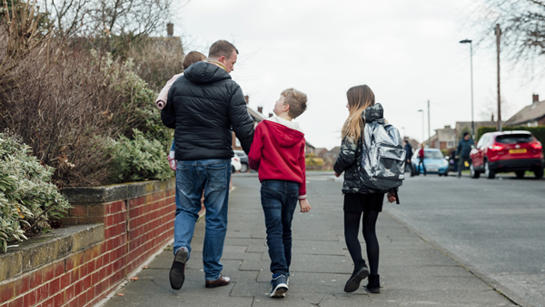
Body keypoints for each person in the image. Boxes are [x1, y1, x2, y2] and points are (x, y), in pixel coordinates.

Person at [161, 40, 255, 290]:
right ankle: (212, 274)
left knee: (186, 210)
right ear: (222, 59)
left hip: (187, 159)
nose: (233, 68)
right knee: (215, 217)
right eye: (233, 62)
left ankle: (181, 247)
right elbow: (243, 127)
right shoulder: (230, 87)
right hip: (216, 160)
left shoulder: (179, 83)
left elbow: (168, 118)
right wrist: (255, 157)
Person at [333, 84, 397, 294]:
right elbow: (390, 159)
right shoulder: (383, 124)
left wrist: (338, 168)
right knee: (370, 231)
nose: (346, 104)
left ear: (356, 101)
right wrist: (392, 188)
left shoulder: (353, 121)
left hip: (355, 187)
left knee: (350, 230)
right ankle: (375, 281)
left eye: (348, 100)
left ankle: (360, 265)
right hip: (376, 186)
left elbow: (348, 154)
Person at [248, 88, 311, 298]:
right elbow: (301, 167)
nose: (275, 102)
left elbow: (254, 156)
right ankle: (285, 273)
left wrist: (262, 167)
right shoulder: (299, 135)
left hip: (271, 185)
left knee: (274, 231)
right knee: (286, 230)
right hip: (292, 187)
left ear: (285, 107)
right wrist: (303, 196)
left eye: (279, 99)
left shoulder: (264, 127)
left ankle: (279, 275)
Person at [155, 50, 207, 170]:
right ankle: (172, 153)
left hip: (186, 128)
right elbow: (166, 89)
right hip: (186, 123)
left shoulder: (191, 81)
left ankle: (173, 153)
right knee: (179, 132)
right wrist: (161, 101)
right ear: (196, 65)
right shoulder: (179, 78)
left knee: (180, 132)